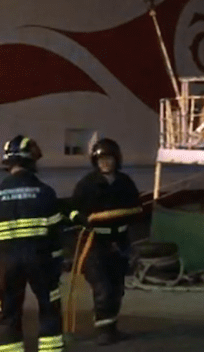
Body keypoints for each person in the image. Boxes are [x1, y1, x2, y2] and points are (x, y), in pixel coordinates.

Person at [68, 138, 144, 346]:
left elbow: (136, 207)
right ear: (95, 161)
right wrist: (80, 219)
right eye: (101, 159)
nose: (105, 163)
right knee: (102, 287)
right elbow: (72, 210)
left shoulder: (125, 182)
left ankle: (111, 328)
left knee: (117, 287)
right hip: (94, 243)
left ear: (116, 160)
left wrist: (132, 215)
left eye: (109, 159)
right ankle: (104, 331)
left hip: (119, 242)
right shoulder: (87, 184)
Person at [0, 135, 65, 352]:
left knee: (9, 310)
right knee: (49, 306)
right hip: (41, 260)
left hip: (6, 263)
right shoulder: (45, 192)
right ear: (32, 160)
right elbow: (55, 234)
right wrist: (57, 263)